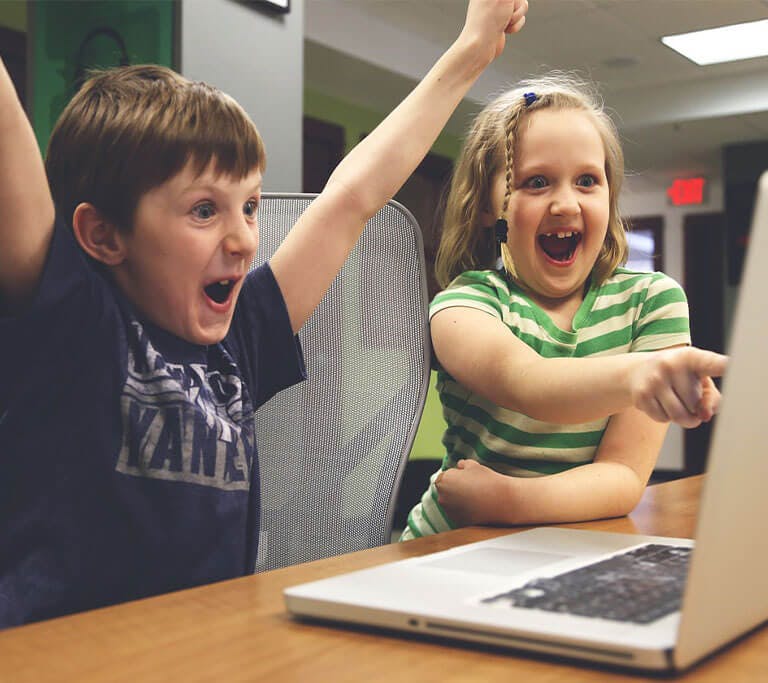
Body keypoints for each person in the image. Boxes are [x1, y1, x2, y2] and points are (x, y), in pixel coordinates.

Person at [0, 0, 529, 628]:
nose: (244, 239)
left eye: (249, 206)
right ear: (104, 235)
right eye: (204, 211)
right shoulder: (72, 323)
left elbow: (354, 196)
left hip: (205, 648)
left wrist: (471, 48)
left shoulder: (240, 339)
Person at [401, 73, 728, 541]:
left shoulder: (652, 302)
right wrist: (640, 375)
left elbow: (623, 477)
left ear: (609, 195)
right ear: (488, 206)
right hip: (451, 545)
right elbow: (529, 383)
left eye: (587, 181)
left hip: (566, 545)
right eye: (537, 182)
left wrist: (509, 502)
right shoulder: (463, 306)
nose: (565, 203)